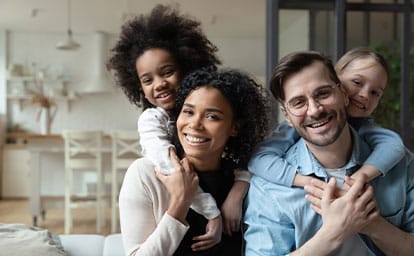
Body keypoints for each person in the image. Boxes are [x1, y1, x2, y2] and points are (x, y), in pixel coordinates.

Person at [244, 51, 414, 255]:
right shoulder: (268, 186)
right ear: (287, 116)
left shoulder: (398, 162)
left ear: (343, 94)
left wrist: (371, 223)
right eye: (299, 102)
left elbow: (393, 144)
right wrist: (335, 232)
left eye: (323, 93)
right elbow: (258, 159)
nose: (315, 110)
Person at [107, 4, 251, 238]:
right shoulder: (152, 120)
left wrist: (238, 189)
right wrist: (211, 212)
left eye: (166, 72)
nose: (159, 84)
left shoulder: (219, 109)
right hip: (185, 202)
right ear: (139, 88)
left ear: (187, 68)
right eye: (147, 80)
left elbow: (253, 152)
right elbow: (173, 170)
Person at [119, 67, 268, 255]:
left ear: (235, 127)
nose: (195, 124)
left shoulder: (245, 182)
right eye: (188, 112)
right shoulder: (145, 174)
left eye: (212, 117)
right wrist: (180, 204)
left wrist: (240, 190)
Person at [248, 47, 405, 188]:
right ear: (337, 82)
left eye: (375, 93)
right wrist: (305, 181)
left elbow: (394, 146)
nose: (364, 95)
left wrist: (360, 177)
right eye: (357, 82)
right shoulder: (296, 126)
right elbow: (259, 158)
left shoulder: (366, 127)